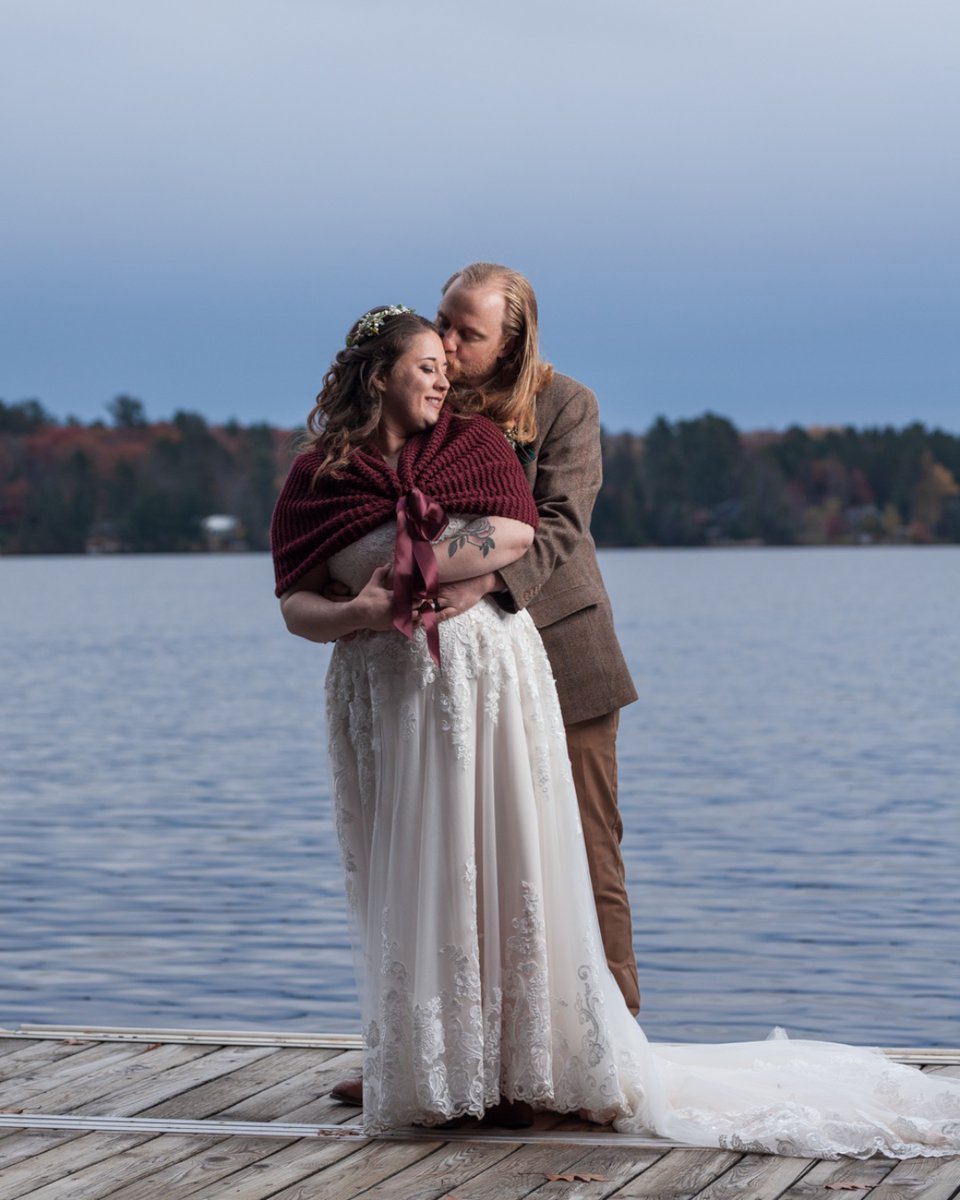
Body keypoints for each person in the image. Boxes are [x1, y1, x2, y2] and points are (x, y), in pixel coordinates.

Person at [273, 305, 960, 1154]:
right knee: (411, 877)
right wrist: (360, 608)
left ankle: (532, 1064)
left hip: (482, 689)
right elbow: (295, 601)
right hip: (384, 702)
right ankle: (432, 1064)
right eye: (426, 363)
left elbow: (522, 526)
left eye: (450, 359)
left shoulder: (476, 445)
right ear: (379, 377)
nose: (445, 373)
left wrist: (434, 571)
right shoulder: (317, 476)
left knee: (510, 861)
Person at [434, 263, 642, 1017]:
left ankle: (613, 1047)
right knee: (465, 861)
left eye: (470, 334)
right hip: (462, 669)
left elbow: (560, 521)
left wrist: (484, 583)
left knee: (589, 857)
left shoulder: (566, 404)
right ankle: (454, 1053)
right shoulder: (421, 397)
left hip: (567, 655)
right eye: (444, 323)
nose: (449, 343)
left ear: (512, 342)